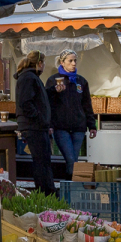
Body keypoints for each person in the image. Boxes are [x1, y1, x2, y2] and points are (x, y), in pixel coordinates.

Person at [13, 52, 56, 195]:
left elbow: (36, 98)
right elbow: (26, 102)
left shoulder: (29, 77)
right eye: (43, 63)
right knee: (42, 163)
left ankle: (46, 193)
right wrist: (40, 119)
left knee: (42, 162)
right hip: (34, 127)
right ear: (38, 63)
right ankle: (46, 194)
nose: (43, 66)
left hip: (36, 126)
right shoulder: (29, 78)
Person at [46, 51, 95, 168]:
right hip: (61, 127)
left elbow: (87, 104)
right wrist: (49, 124)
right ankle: (71, 184)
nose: (74, 64)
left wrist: (92, 125)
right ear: (62, 62)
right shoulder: (53, 80)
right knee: (70, 159)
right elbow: (47, 103)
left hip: (78, 126)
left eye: (75, 60)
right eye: (70, 61)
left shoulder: (81, 81)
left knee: (74, 159)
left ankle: (71, 184)